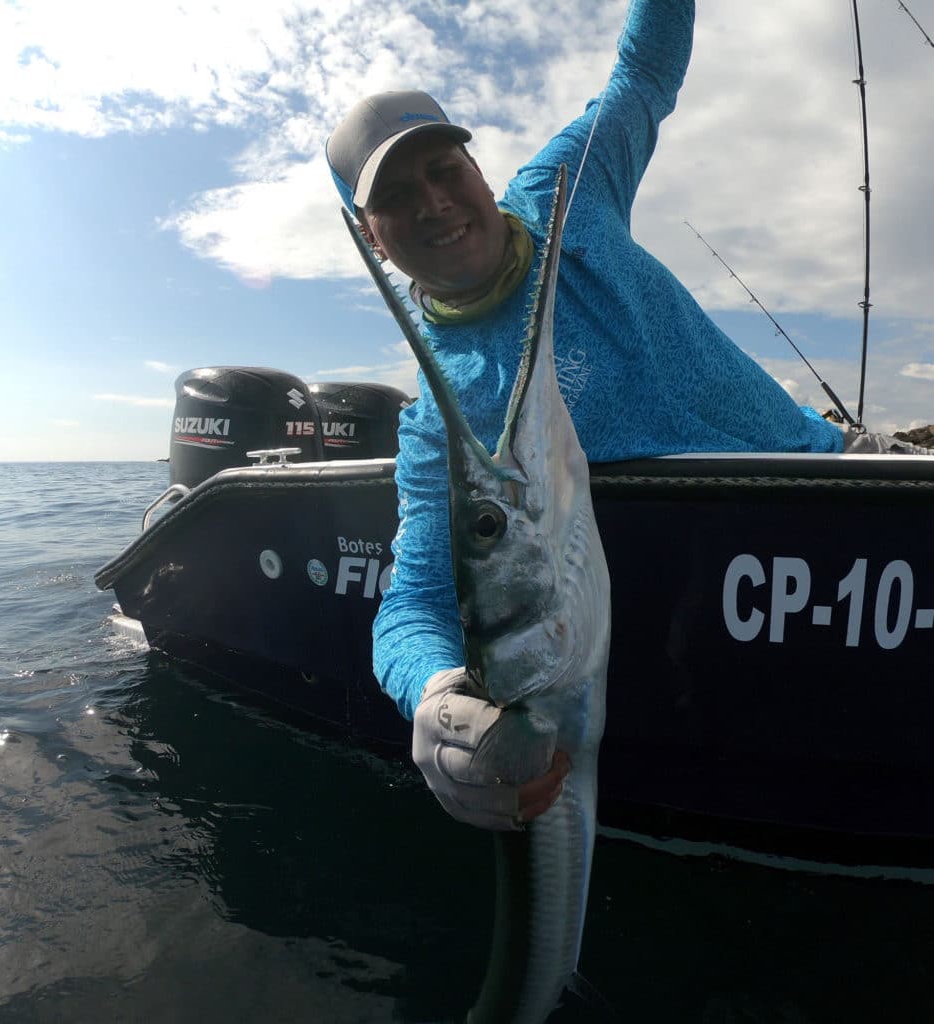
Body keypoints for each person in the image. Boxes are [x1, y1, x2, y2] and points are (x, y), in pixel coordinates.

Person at [325, 0, 928, 832]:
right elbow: (416, 600)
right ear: (371, 234)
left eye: (442, 168)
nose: (431, 201)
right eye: (395, 195)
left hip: (835, 466)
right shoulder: (439, 415)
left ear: (477, 167)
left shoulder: (563, 189)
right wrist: (430, 698)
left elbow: (643, 71)